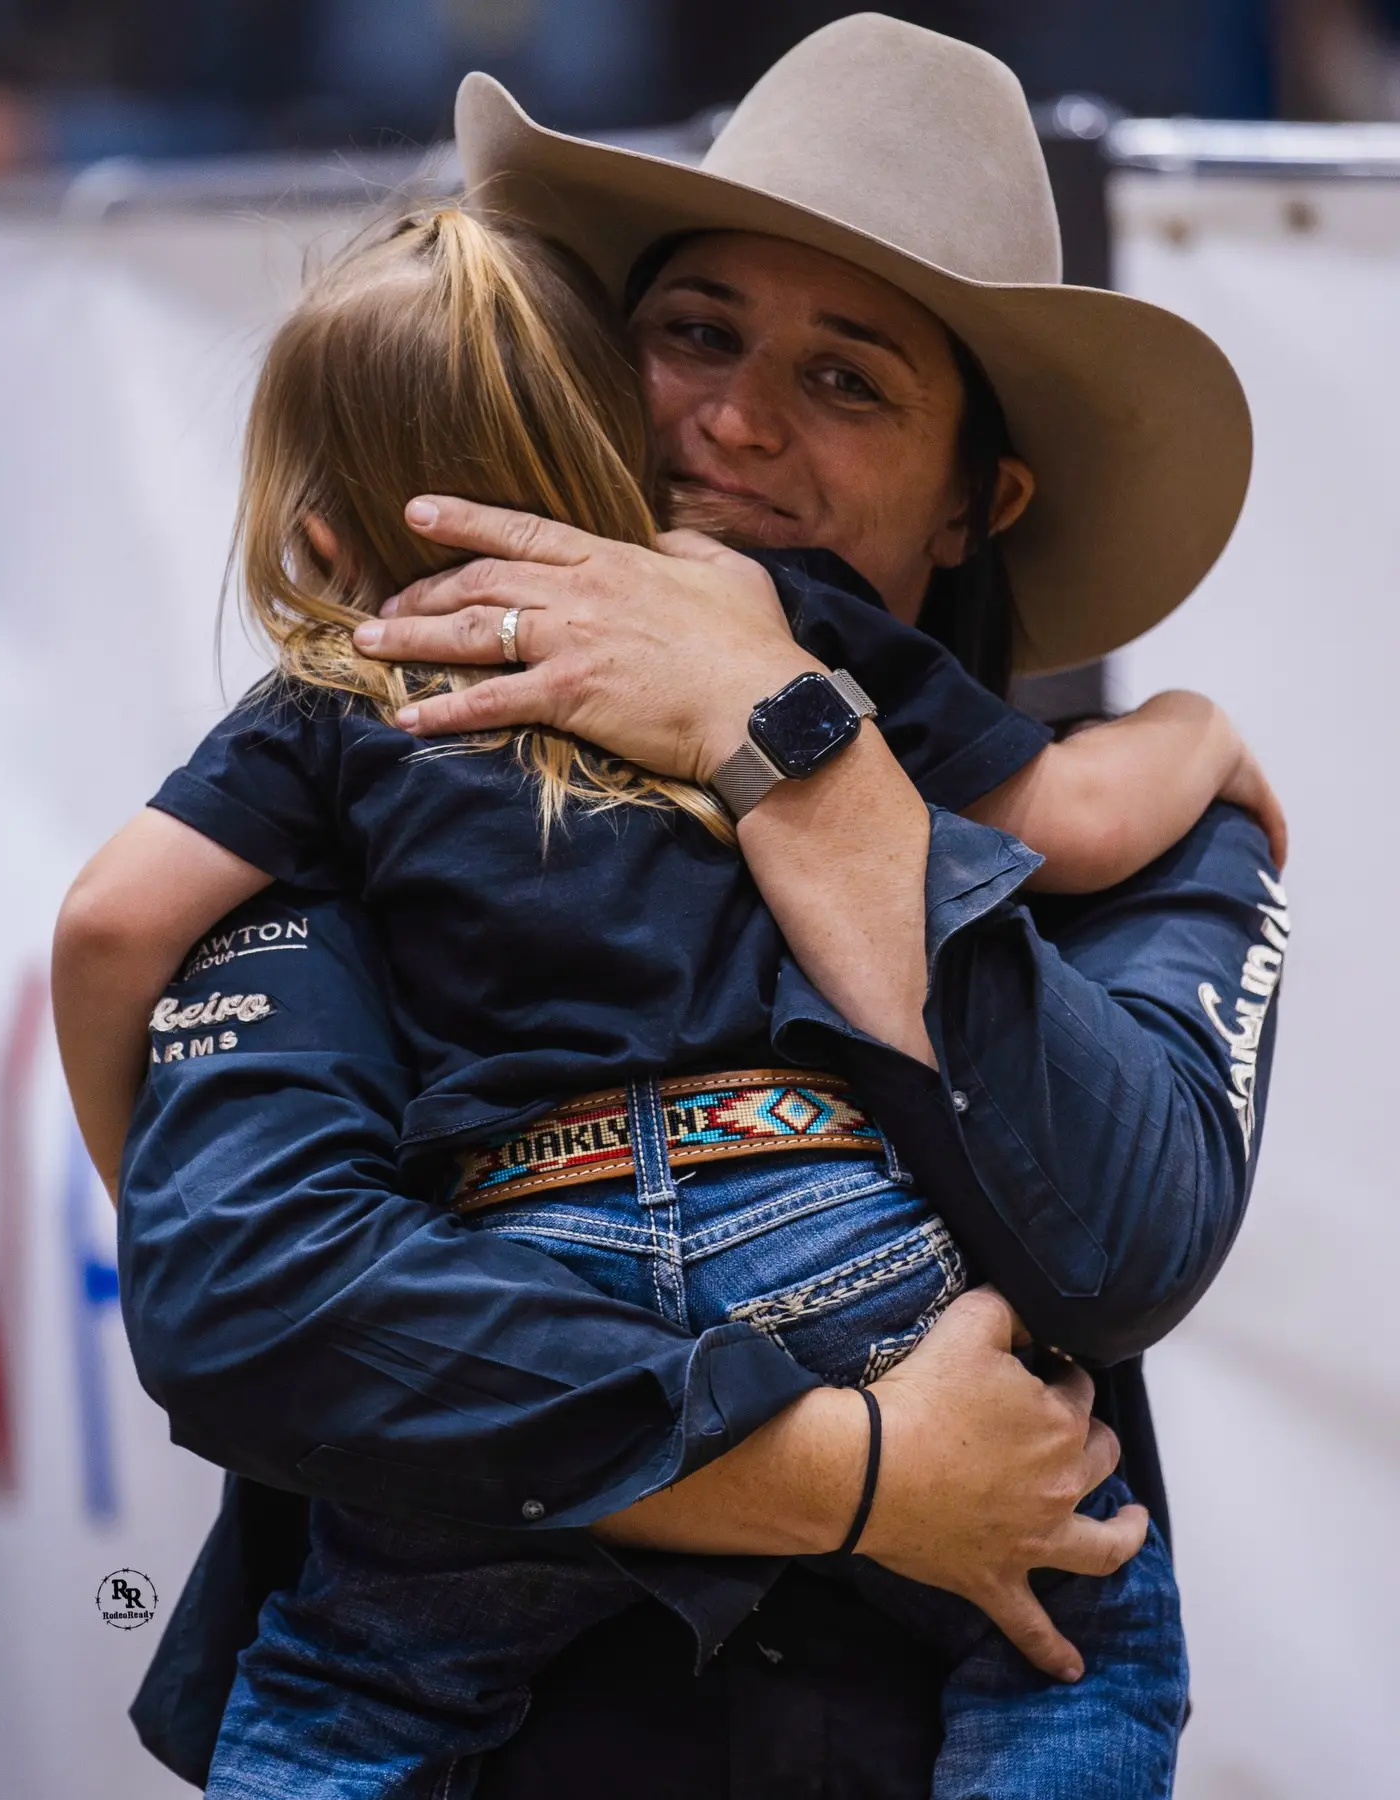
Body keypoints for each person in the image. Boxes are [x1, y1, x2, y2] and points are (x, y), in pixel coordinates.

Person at [99, 18, 1286, 1796]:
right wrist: (856, 1474)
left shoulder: (1167, 848)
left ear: (980, 502)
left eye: (848, 382)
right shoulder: (398, 722)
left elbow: (1122, 1249)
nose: (732, 423)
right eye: (695, 335)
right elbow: (244, 1298)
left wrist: (777, 736)